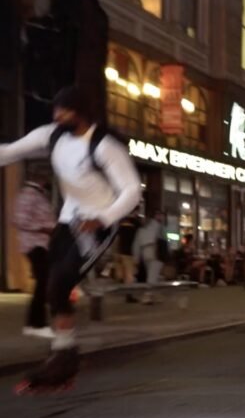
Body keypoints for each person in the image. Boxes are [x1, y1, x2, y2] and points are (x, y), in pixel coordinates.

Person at [0, 86, 141, 392]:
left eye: (64, 111)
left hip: (98, 224)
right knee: (51, 286)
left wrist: (103, 218)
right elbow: (10, 152)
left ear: (81, 112)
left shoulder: (104, 146)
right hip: (68, 221)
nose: (57, 116)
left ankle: (65, 355)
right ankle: (65, 353)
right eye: (55, 111)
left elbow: (132, 190)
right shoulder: (51, 136)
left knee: (61, 282)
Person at [13, 168, 56, 338]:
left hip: (41, 244)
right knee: (43, 282)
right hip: (34, 245)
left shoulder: (37, 194)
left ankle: (35, 323)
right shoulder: (29, 195)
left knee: (43, 282)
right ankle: (36, 324)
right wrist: (43, 228)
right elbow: (19, 220)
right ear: (40, 178)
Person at [132, 210, 167, 304]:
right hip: (155, 250)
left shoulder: (141, 229)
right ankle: (148, 296)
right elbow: (162, 240)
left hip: (145, 251)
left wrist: (136, 257)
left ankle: (152, 295)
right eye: (160, 215)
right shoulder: (158, 226)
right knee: (153, 274)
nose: (161, 217)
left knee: (151, 273)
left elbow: (136, 244)